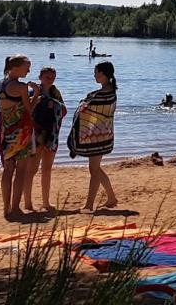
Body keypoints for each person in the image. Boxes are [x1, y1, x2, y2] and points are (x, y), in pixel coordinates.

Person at [67, 62, 118, 212]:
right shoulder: (107, 91)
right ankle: (111, 198)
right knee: (95, 168)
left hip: (99, 136)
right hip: (102, 135)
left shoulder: (106, 93)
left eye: (96, 72)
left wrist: (84, 104)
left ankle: (89, 205)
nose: (94, 75)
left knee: (94, 169)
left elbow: (92, 108)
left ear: (103, 74)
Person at [0, 54, 39, 219]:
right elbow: (29, 109)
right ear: (16, 67)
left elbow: (10, 105)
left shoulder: (2, 84)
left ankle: (6, 208)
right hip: (21, 131)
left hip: (5, 130)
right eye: (27, 67)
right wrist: (36, 93)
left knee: (8, 169)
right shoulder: (21, 87)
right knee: (21, 170)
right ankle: (15, 207)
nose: (29, 70)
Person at [28, 67, 66, 213]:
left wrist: (53, 104)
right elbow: (27, 110)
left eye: (52, 76)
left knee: (47, 169)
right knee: (32, 169)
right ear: (40, 77)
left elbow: (63, 111)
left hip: (51, 135)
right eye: (47, 77)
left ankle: (46, 202)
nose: (50, 79)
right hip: (36, 134)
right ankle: (28, 203)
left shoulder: (55, 93)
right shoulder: (33, 92)